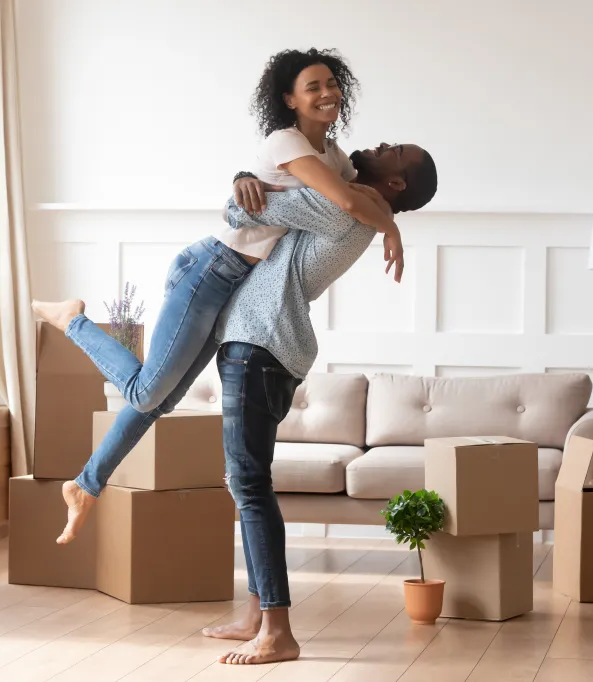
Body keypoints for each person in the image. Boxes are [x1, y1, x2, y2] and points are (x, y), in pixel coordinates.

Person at [32, 48, 408, 543]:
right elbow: (342, 204)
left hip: (236, 287)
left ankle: (85, 485)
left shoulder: (334, 157)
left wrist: (376, 208)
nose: (326, 93)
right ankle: (72, 319)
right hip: (211, 269)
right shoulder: (286, 140)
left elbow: (357, 192)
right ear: (290, 100)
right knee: (147, 392)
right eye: (312, 86)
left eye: (331, 84)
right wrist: (391, 229)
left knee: (158, 403)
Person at [204, 144, 437, 666]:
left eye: (391, 151)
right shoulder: (352, 203)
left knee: (249, 485)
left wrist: (247, 180)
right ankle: (254, 614)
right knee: (245, 483)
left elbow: (243, 208)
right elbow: (261, 195)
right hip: (262, 347)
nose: (377, 146)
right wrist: (249, 175)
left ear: (396, 184)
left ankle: (278, 631)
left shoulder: (343, 205)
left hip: (259, 347)